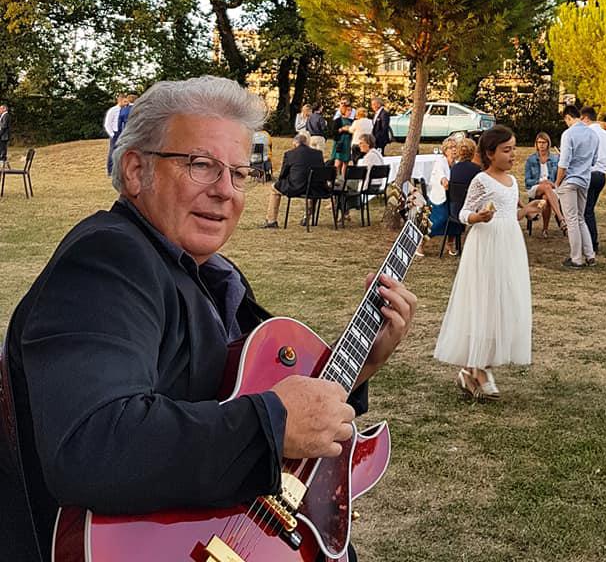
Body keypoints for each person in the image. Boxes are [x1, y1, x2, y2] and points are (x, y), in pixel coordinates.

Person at [0, 76, 416, 561]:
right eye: (202, 165)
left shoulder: (213, 275)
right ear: (136, 171)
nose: (226, 192)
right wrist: (272, 423)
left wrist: (359, 366)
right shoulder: (109, 258)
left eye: (239, 174)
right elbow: (92, 444)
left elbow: (223, 391)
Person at [433, 125, 541, 400]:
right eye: (507, 150)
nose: (513, 155)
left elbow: (508, 214)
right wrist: (476, 218)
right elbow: (464, 211)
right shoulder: (481, 180)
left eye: (514, 149)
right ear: (490, 153)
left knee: (504, 301)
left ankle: (473, 369)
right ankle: (478, 369)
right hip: (486, 245)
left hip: (509, 245)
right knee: (484, 301)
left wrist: (525, 211)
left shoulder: (512, 181)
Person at [556, 104, 599, 269]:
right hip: (584, 180)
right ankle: (590, 255)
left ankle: (576, 258)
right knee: (580, 219)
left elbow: (564, 162)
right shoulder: (593, 134)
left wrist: (557, 182)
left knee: (571, 220)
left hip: (570, 180)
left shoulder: (568, 134)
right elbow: (594, 160)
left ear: (568, 117)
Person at [261, 132, 327, 228]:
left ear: (295, 143)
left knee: (274, 188)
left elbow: (283, 174)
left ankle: (271, 220)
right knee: (313, 187)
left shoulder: (289, 154)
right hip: (315, 188)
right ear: (307, 143)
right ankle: (307, 217)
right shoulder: (318, 154)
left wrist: (284, 180)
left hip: (296, 187)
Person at [581, 107, 606, 254]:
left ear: (585, 119)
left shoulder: (587, 134)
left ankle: (591, 244)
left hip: (589, 174)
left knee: (586, 211)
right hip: (601, 176)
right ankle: (589, 242)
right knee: (589, 209)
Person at [523, 132, 563, 236]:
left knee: (546, 196)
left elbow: (561, 176)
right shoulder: (530, 159)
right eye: (539, 142)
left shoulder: (555, 158)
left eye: (544, 142)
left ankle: (544, 228)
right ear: (536, 144)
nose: (541, 145)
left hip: (551, 189)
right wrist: (540, 182)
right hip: (534, 188)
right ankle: (560, 218)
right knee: (546, 186)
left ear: (548, 143)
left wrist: (553, 183)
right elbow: (527, 181)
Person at [446, 138, 481, 253]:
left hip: (454, 210)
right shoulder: (477, 170)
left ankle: (453, 242)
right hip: (470, 211)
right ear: (473, 152)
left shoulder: (454, 169)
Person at [425, 138, 458, 257]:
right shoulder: (440, 162)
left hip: (453, 197)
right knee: (440, 220)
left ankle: (450, 243)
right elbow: (441, 176)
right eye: (450, 147)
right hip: (440, 197)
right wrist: (444, 180)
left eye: (455, 146)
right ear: (445, 150)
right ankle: (421, 242)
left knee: (456, 217)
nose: (454, 149)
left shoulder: (457, 163)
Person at [103, 94, 125, 175]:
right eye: (124, 101)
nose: (126, 103)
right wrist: (112, 134)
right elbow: (107, 124)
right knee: (112, 151)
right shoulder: (113, 110)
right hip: (116, 133)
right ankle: (110, 170)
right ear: (120, 100)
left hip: (123, 132)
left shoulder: (125, 111)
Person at [331, 99, 354, 178]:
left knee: (346, 162)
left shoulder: (352, 121)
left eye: (350, 110)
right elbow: (333, 132)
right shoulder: (338, 120)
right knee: (337, 162)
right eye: (348, 110)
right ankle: (335, 178)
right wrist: (341, 129)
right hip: (340, 142)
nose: (350, 112)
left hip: (348, 142)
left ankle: (344, 178)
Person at [0, 103, 10, 168]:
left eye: (1, 109)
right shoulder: (3, 115)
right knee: (2, 149)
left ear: (4, 109)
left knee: (3, 149)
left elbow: (4, 126)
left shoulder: (6, 115)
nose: (0, 110)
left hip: (3, 136)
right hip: (3, 135)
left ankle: (2, 161)